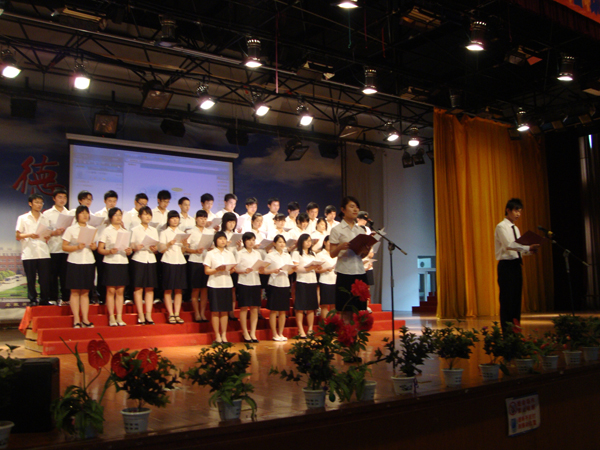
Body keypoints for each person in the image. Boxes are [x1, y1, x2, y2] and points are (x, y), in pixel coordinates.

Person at [495, 198, 539, 332]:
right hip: (506, 266)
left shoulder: (516, 228)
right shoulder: (501, 226)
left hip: (516, 265)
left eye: (520, 211)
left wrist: (529, 251)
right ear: (508, 210)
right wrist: (527, 247)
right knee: (507, 300)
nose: (518, 214)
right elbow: (509, 245)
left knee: (516, 300)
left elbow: (518, 249)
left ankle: (515, 331)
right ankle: (507, 332)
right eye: (516, 210)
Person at [329, 196, 371, 321]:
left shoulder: (360, 230)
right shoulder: (337, 229)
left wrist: (366, 250)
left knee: (359, 309)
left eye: (357, 207)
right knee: (346, 309)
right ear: (343, 209)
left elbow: (362, 255)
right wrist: (340, 247)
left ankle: (356, 333)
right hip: (345, 272)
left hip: (359, 271)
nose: (355, 210)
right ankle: (347, 331)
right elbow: (332, 254)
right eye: (352, 207)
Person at [62, 205, 97, 327]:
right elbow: (64, 246)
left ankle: (85, 319)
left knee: (85, 292)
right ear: (77, 215)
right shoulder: (71, 229)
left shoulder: (92, 229)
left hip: (88, 261)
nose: (85, 215)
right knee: (75, 291)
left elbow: (94, 246)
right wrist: (77, 247)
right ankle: (76, 319)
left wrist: (93, 246)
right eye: (82, 213)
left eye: (87, 213)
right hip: (75, 262)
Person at [98, 208, 132, 326]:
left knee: (120, 290)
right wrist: (109, 251)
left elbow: (128, 249)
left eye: (120, 215)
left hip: (122, 262)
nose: (118, 217)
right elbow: (100, 249)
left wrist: (129, 251)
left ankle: (119, 317)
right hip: (110, 262)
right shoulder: (106, 231)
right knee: (111, 290)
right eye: (115, 215)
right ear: (111, 217)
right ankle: (111, 317)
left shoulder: (125, 231)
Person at [15, 193, 52, 306]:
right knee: (31, 278)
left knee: (44, 278)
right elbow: (18, 235)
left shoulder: (45, 218)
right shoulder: (23, 218)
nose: (39, 205)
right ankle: (32, 300)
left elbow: (48, 233)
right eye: (36, 202)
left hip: (43, 252)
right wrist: (29, 235)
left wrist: (48, 236)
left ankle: (44, 299)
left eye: (41, 203)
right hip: (29, 252)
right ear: (30, 204)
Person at [204, 231, 237, 343]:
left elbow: (231, 270)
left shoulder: (229, 254)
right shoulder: (210, 254)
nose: (223, 241)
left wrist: (231, 270)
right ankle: (217, 335)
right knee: (215, 311)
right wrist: (217, 269)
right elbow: (207, 271)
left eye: (224, 239)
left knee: (224, 311)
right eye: (220, 239)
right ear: (215, 241)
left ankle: (224, 335)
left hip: (227, 284)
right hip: (214, 284)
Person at [42, 188, 74, 305]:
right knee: (53, 275)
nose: (62, 200)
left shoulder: (69, 214)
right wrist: (53, 232)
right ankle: (53, 298)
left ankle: (66, 298)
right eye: (60, 197)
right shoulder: (47, 214)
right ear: (54, 198)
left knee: (65, 276)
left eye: (64, 197)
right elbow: (43, 231)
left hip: (66, 249)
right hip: (53, 248)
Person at [130, 206, 159, 325]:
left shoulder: (154, 230)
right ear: (139, 216)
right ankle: (140, 314)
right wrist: (135, 247)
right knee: (138, 288)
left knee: (150, 288)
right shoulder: (135, 230)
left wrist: (155, 249)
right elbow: (131, 245)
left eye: (149, 214)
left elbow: (156, 248)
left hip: (151, 259)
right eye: (145, 214)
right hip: (138, 259)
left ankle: (148, 314)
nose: (147, 217)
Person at [264, 235, 296, 341]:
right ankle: (274, 334)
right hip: (274, 283)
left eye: (283, 242)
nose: (282, 244)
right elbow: (263, 270)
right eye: (279, 242)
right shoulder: (270, 255)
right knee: (274, 310)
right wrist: (273, 270)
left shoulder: (287, 256)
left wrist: (292, 269)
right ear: (274, 243)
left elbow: (290, 271)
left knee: (283, 311)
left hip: (285, 284)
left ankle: (281, 333)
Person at [235, 232, 266, 343]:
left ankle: (253, 332)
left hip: (255, 282)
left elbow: (260, 268)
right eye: (249, 240)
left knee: (254, 308)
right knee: (244, 308)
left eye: (253, 240)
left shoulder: (257, 253)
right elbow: (235, 269)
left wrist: (261, 270)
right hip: (244, 282)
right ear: (244, 241)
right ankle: (245, 332)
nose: (251, 242)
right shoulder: (240, 253)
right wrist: (244, 270)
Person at [159, 210, 187, 324]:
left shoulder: (182, 233)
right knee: (168, 289)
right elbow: (161, 249)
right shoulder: (164, 232)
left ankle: (177, 313)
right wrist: (168, 244)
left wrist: (185, 245)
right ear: (168, 220)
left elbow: (183, 251)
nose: (175, 220)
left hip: (180, 262)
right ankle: (170, 313)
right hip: (168, 261)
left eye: (177, 218)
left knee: (179, 289)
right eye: (173, 218)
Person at [186, 210, 213, 322]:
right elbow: (185, 249)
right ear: (196, 219)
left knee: (204, 289)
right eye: (201, 218)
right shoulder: (191, 231)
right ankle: (196, 313)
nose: (203, 220)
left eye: (205, 218)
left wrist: (211, 248)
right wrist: (195, 251)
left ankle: (202, 313)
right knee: (196, 288)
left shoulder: (209, 232)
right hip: (194, 261)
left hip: (206, 262)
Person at [291, 233, 321, 338]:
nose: (309, 243)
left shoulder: (313, 254)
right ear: (301, 241)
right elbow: (295, 268)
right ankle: (301, 330)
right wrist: (308, 269)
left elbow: (316, 268)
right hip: (302, 281)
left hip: (312, 281)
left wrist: (317, 267)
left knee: (311, 307)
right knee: (300, 307)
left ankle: (310, 329)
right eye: (307, 241)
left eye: (310, 241)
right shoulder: (296, 253)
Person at [317, 236, 337, 317]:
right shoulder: (320, 255)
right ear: (324, 243)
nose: (331, 244)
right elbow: (316, 269)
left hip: (335, 280)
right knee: (324, 305)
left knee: (334, 305)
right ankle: (325, 323)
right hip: (325, 281)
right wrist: (326, 269)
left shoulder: (336, 254)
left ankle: (332, 323)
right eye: (329, 242)